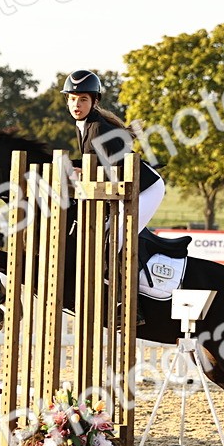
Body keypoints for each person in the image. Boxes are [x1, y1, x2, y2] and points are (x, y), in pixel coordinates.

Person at [63, 69, 168, 299]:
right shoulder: (85, 125)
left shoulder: (99, 128)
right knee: (103, 237)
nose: (76, 105)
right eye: (72, 99)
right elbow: (93, 160)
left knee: (116, 243)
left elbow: (114, 168)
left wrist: (85, 171)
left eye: (82, 99)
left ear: (94, 101)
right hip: (125, 187)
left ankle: (132, 303)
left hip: (145, 189)